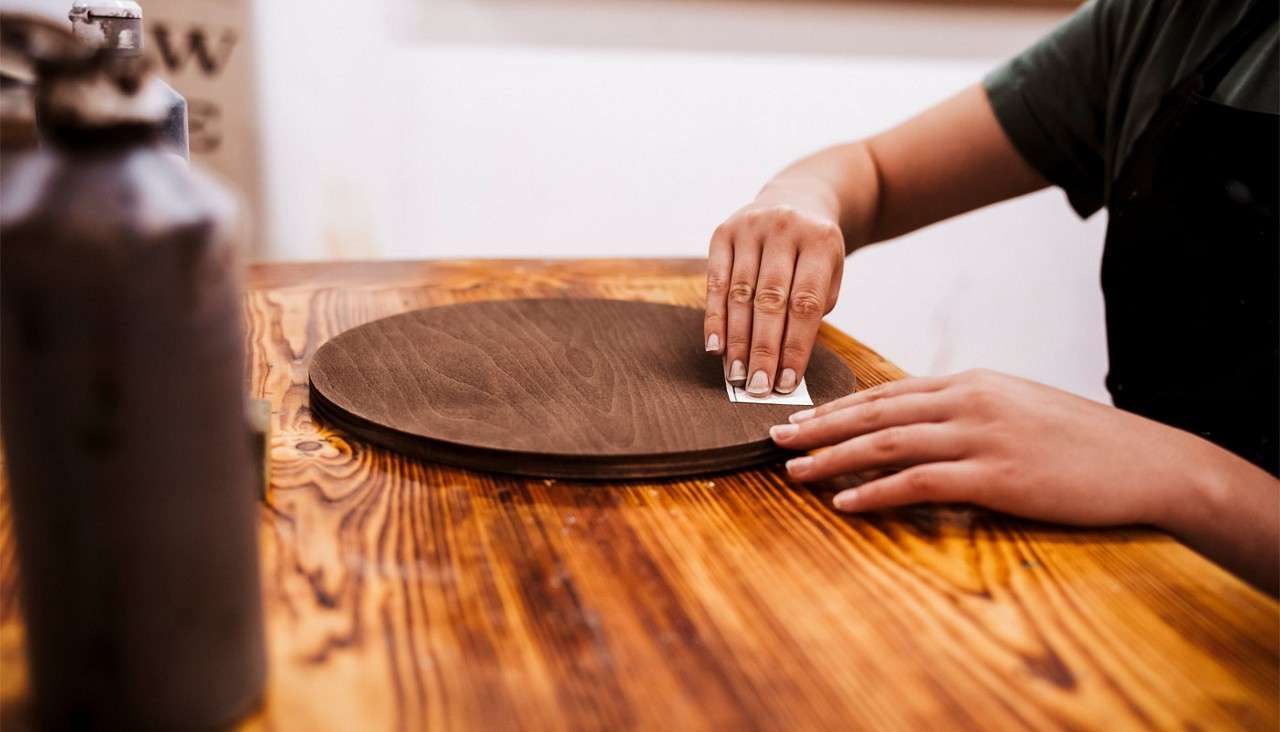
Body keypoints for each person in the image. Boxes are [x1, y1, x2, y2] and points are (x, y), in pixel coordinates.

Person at [704, 0, 1279, 594]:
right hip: (1148, 570)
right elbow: (875, 170)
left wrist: (1184, 475)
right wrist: (804, 195)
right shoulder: (1158, 21)